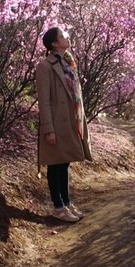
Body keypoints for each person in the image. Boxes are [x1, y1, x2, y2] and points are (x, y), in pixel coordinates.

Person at [35, 26, 93, 222]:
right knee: (55, 165)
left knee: (64, 163)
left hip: (70, 121)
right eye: (63, 35)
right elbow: (44, 101)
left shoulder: (69, 62)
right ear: (54, 43)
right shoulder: (44, 66)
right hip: (57, 123)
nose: (67, 36)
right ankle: (58, 207)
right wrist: (48, 129)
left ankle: (66, 203)